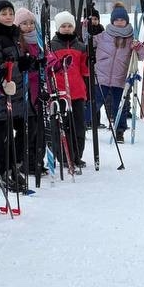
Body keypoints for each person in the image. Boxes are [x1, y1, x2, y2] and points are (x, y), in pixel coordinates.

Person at [0, 0, 31, 192]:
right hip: (0, 95)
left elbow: (15, 62)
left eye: (11, 13)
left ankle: (12, 169)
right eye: (4, 13)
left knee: (14, 135)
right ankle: (0, 173)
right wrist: (10, 70)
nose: (9, 16)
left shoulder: (13, 36)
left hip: (15, 93)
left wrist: (27, 63)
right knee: (2, 137)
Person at [92, 2, 144, 143]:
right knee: (95, 102)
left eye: (122, 20)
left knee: (120, 106)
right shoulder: (103, 36)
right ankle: (85, 123)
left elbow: (142, 56)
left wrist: (139, 47)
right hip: (102, 76)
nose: (119, 22)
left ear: (126, 21)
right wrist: (86, 28)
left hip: (120, 78)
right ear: (112, 21)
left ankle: (120, 131)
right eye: (116, 20)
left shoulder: (131, 39)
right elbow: (88, 42)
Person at [46, 11, 90, 170]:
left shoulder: (80, 46)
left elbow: (85, 71)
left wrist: (91, 59)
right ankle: (64, 155)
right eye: (63, 26)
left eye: (69, 25)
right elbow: (48, 68)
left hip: (77, 92)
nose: (66, 28)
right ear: (58, 27)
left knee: (78, 126)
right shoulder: (52, 45)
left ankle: (77, 155)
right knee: (62, 126)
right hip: (59, 93)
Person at [15, 7, 47, 183]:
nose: (28, 26)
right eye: (24, 23)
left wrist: (50, 64)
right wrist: (33, 65)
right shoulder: (19, 44)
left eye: (31, 23)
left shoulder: (40, 42)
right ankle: (25, 161)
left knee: (40, 130)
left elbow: (49, 61)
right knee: (29, 130)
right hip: (25, 92)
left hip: (39, 92)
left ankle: (37, 161)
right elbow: (20, 67)